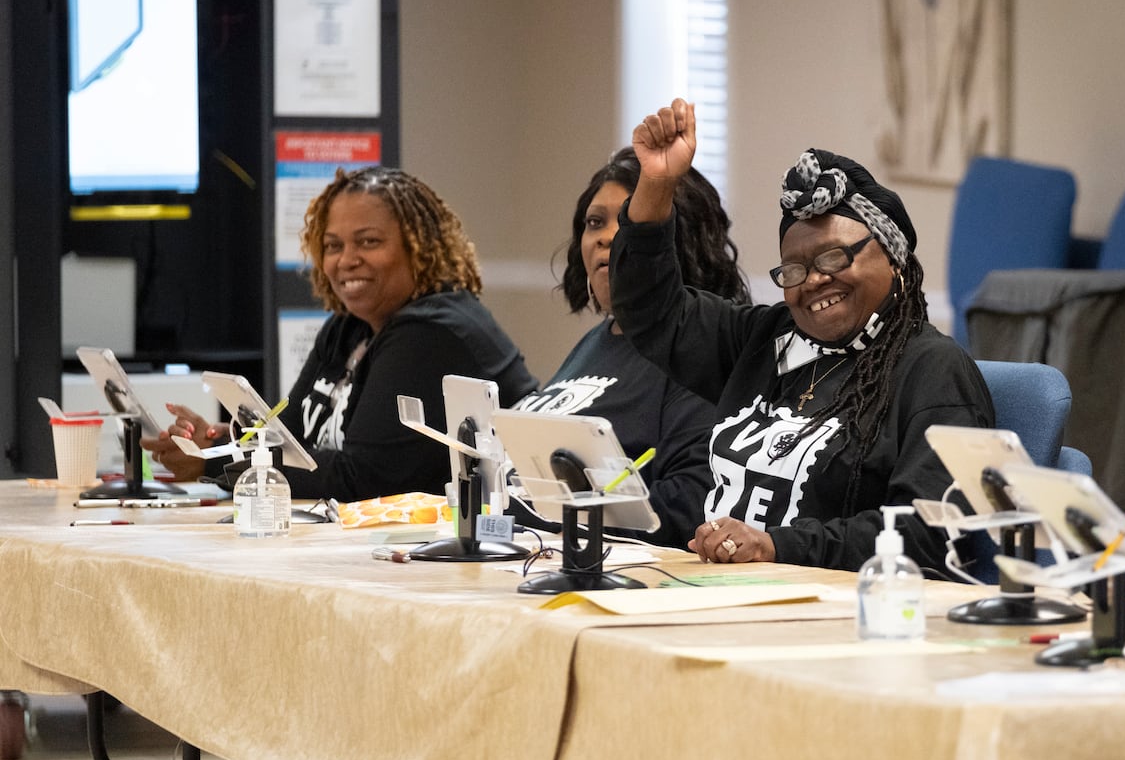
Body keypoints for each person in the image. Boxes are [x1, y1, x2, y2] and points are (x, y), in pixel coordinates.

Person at [610, 98, 995, 573]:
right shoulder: (765, 339)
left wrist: (776, 545)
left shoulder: (932, 371)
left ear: (894, 261)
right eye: (793, 269)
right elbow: (649, 310)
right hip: (715, 597)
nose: (812, 281)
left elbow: (934, 532)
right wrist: (657, 183)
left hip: (843, 618)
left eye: (835, 258)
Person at [145, 166, 538, 501]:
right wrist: (219, 442)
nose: (347, 260)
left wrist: (216, 460)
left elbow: (361, 478)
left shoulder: (433, 332)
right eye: (333, 245)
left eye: (369, 242)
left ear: (419, 248)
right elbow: (291, 439)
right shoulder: (347, 328)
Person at [513, 147, 750, 548]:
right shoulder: (596, 341)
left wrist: (553, 512)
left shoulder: (700, 351)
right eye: (594, 222)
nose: (605, 237)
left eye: (625, 220)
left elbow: (692, 501)